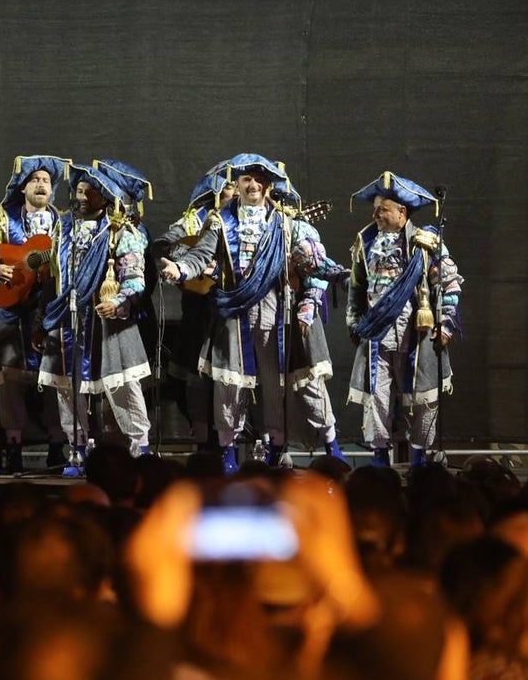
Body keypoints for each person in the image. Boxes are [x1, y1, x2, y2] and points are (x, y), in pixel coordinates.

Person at [158, 154, 344, 474]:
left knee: (276, 384)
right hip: (235, 311)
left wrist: (338, 274)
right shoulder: (220, 221)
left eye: (259, 180)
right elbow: (201, 255)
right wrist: (180, 269)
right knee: (230, 384)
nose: (253, 185)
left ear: (268, 186)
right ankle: (228, 452)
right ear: (239, 184)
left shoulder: (286, 224)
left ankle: (281, 446)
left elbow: (313, 263)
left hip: (275, 309)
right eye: (247, 179)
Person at [38, 162, 151, 475]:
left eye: (91, 191)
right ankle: (77, 450)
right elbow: (54, 277)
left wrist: (117, 301)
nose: (84, 195)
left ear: (106, 197)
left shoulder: (120, 231)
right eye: (79, 189)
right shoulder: (63, 228)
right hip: (68, 318)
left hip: (107, 320)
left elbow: (135, 278)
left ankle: (139, 449)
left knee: (122, 385)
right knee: (65, 388)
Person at [347, 171, 463, 469]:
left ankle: (419, 459)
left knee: (423, 401)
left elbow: (449, 284)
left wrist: (446, 323)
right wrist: (355, 323)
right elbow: (356, 287)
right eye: (374, 209)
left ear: (402, 212)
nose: (375, 215)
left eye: (382, 209)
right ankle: (378, 460)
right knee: (377, 398)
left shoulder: (425, 243)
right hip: (377, 335)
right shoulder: (366, 242)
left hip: (417, 333)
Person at [0, 155, 72, 473]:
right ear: (24, 187)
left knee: (54, 376)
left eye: (46, 181)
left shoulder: (64, 223)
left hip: (49, 309)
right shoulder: (3, 220)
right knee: (10, 379)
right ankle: (13, 444)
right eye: (35, 180)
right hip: (12, 308)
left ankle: (57, 443)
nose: (41, 185)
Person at [152, 162, 236, 449]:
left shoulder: (240, 222)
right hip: (196, 307)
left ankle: (225, 439)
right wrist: (183, 255)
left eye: (235, 186)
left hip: (226, 309)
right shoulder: (190, 220)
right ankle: (201, 434)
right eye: (227, 186)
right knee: (183, 375)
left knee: (222, 377)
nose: (234, 191)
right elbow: (162, 244)